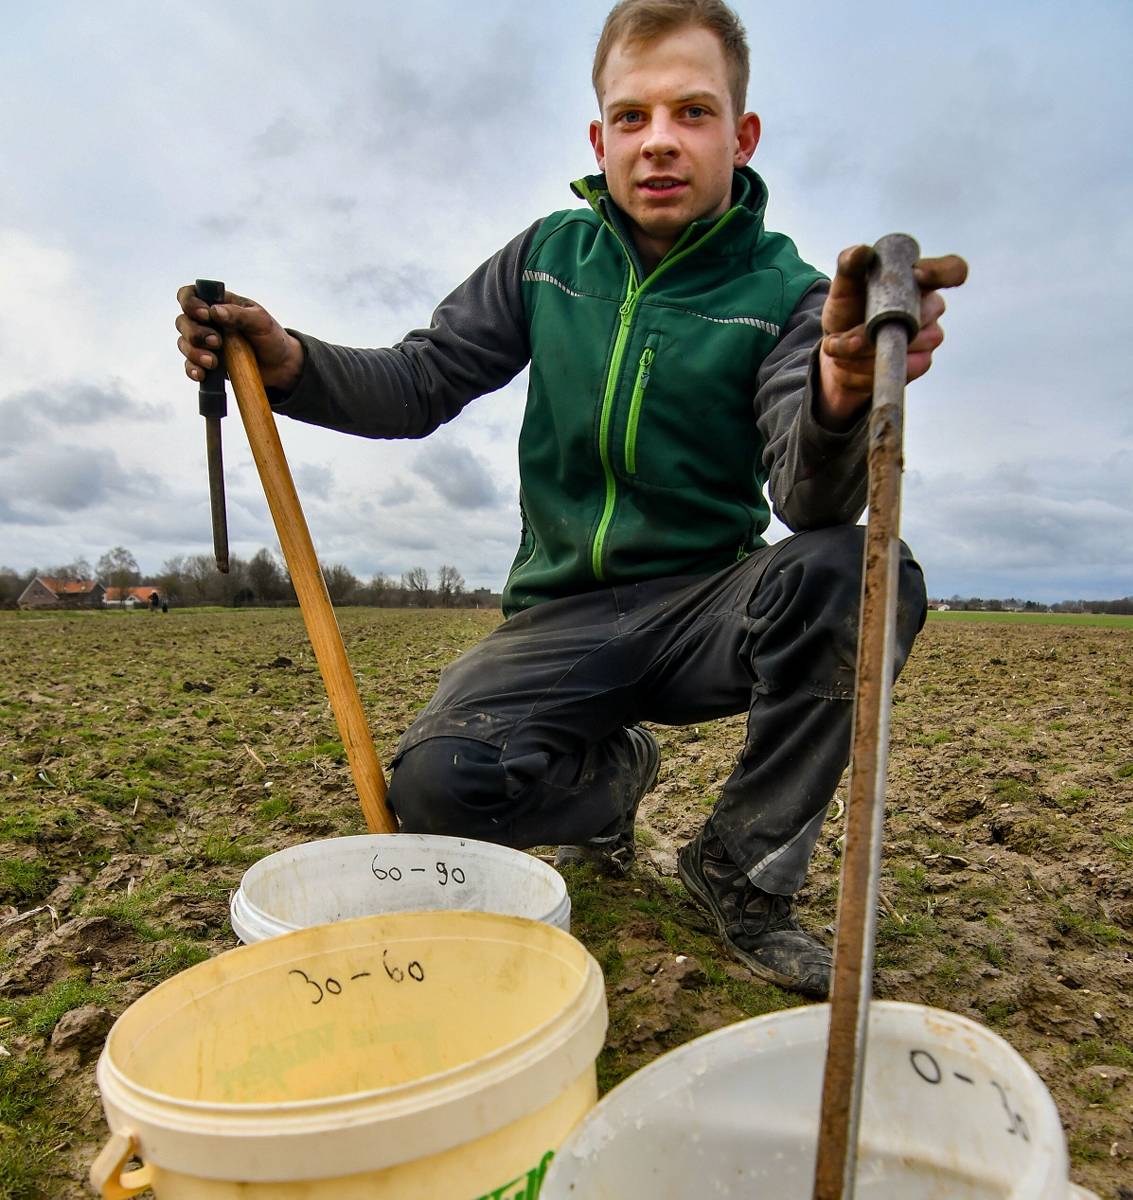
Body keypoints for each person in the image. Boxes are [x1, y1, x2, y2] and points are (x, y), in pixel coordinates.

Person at [175, 0, 966, 998]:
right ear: (599, 138)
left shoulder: (790, 293)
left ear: (741, 135)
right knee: (435, 784)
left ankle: (741, 871)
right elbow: (420, 380)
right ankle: (609, 782)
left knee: (855, 570)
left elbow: (803, 496)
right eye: (631, 117)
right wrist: (291, 363)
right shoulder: (548, 256)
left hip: (701, 607)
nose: (659, 141)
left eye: (691, 111)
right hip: (560, 614)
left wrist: (840, 397)